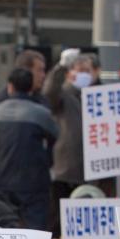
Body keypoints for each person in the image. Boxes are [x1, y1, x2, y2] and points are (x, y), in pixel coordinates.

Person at [0, 68, 58, 231]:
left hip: (5, 178)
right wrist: (47, 160)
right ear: (30, 87)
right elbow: (55, 135)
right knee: (36, 229)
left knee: (7, 226)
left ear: (10, 87)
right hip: (35, 180)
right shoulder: (41, 113)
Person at [44, 57, 93, 226]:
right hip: (65, 171)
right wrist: (60, 67)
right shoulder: (63, 96)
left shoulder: (94, 96)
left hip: (89, 173)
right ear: (69, 74)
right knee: (59, 221)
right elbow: (50, 91)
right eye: (81, 71)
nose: (85, 75)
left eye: (88, 71)